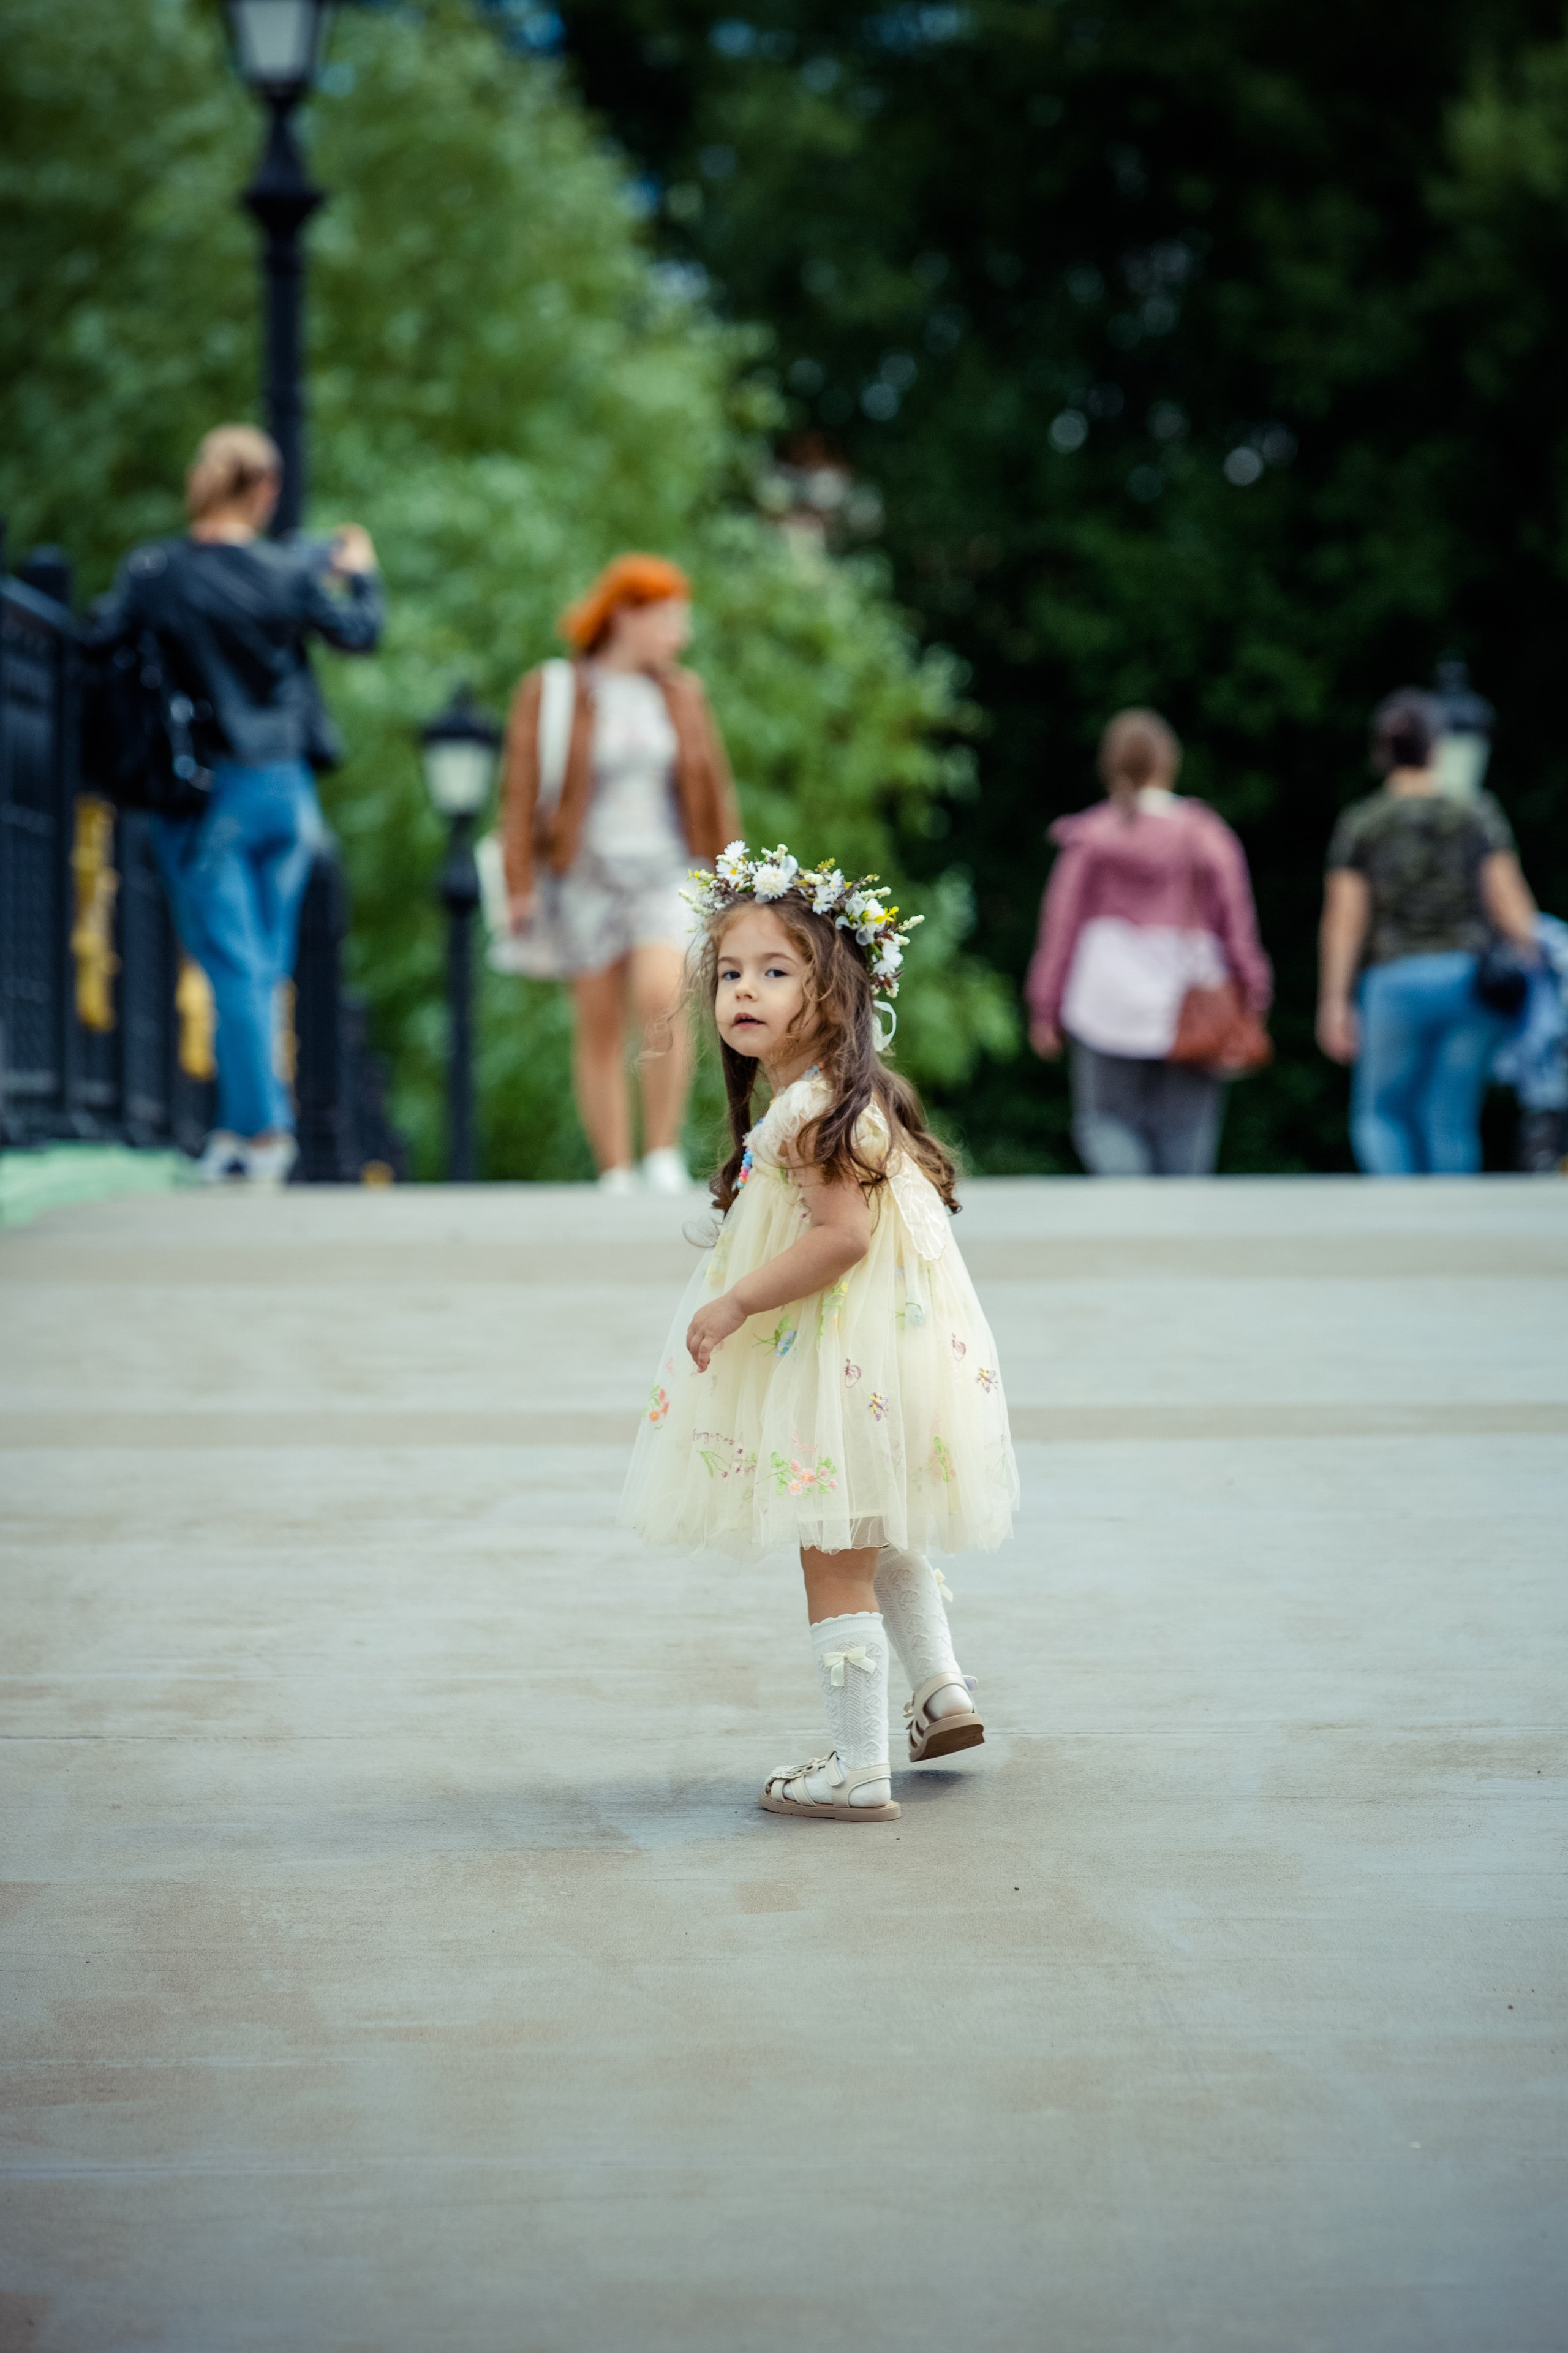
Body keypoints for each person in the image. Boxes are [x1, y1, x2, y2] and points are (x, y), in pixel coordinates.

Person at [618, 844, 1019, 1822]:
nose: (743, 990)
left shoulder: (810, 1114)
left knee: (831, 1546)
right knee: (875, 1521)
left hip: (845, 1360)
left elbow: (840, 1239)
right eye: (730, 973)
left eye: (775, 971)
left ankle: (856, 1763)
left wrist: (738, 1300)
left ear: (833, 993)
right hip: (900, 1355)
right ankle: (942, 1693)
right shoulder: (844, 1097)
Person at [105, 423, 383, 1184]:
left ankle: (263, 1135)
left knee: (232, 960)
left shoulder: (158, 572)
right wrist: (361, 574)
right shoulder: (288, 575)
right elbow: (360, 632)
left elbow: (103, 646)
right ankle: (239, 1127)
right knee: (260, 962)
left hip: (205, 788)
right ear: (263, 490)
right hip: (286, 790)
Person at [498, 554, 739, 1195]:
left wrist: (735, 880)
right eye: (669, 620)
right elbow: (518, 794)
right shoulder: (553, 691)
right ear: (627, 616)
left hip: (667, 870)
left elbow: (714, 790)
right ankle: (615, 1167)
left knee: (663, 996)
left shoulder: (682, 693)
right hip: (582, 876)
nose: (679, 636)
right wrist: (518, 883)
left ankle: (660, 1152)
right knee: (598, 1020)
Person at [1025, 709, 1272, 1176]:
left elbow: (1060, 925)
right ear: (1169, 764)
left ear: (1111, 767)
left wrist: (1045, 1006)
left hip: (1105, 1001)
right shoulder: (1204, 835)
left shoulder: (1092, 837)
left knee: (1105, 1122)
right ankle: (1176, 1238)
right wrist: (1254, 992)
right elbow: (1238, 923)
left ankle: (1129, 1214)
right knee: (1185, 1133)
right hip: (1191, 1002)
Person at [1318, 688, 1539, 1174]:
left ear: (1382, 749)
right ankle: (1455, 1235)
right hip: (1469, 980)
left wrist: (1334, 1001)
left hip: (1393, 983)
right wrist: (1538, 968)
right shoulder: (1474, 813)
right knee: (1450, 1119)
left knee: (1382, 1115)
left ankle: (1400, 1227)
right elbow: (1510, 903)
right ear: (1437, 747)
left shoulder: (1365, 822)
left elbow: (1345, 919)